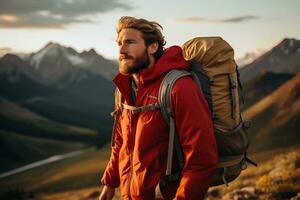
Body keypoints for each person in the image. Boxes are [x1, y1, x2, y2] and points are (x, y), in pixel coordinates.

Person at [99, 16, 218, 200]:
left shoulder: (179, 87)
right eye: (119, 43)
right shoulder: (125, 90)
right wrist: (109, 182)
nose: (121, 50)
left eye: (130, 42)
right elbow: (121, 143)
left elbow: (201, 159)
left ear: (152, 47)